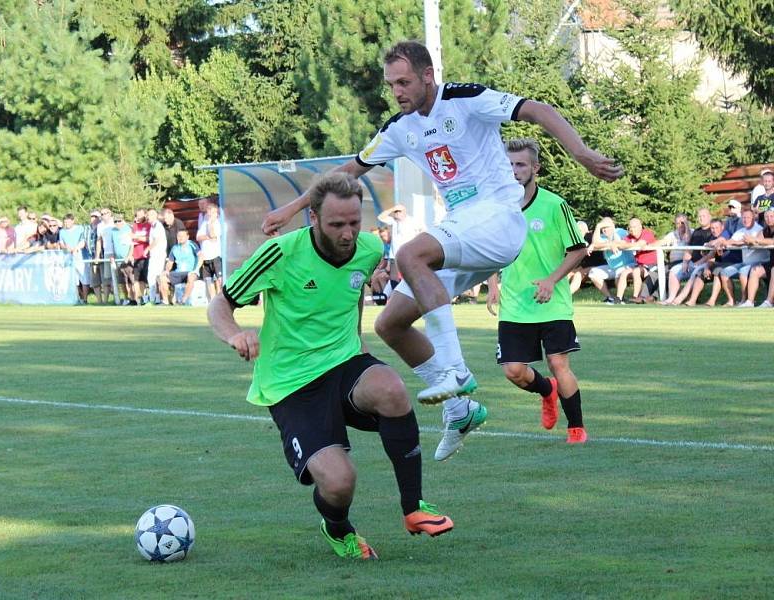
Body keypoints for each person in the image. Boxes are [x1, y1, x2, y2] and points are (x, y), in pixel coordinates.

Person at [262, 40, 621, 447]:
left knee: (409, 253)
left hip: (499, 219)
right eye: (391, 84)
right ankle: (460, 409)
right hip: (462, 229)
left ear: (428, 75)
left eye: (404, 82)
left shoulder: (466, 99)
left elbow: (537, 110)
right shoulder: (400, 129)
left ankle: (456, 371)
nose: (396, 92)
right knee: (390, 323)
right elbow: (349, 171)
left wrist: (583, 153)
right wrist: (289, 210)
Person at [208, 172, 452, 559]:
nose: (347, 234)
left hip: (343, 362)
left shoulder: (369, 248)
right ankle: (338, 529)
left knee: (391, 387)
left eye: (354, 223)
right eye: (337, 224)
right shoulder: (280, 254)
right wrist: (235, 335)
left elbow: (352, 293)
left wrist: (357, 340)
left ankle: (415, 507)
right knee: (339, 483)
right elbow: (220, 305)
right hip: (290, 384)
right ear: (314, 220)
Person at [484, 138, 588, 453]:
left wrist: (551, 280)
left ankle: (576, 428)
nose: (514, 171)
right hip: (515, 304)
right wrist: (491, 284)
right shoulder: (497, 208)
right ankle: (546, 391)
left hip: (552, 303)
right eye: (510, 165)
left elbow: (579, 250)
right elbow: (488, 249)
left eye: (521, 165)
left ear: (535, 168)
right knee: (512, 371)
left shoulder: (554, 205)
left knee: (559, 363)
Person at [712, 208, 765, 306]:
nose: (745, 220)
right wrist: (722, 243)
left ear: (753, 217)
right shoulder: (741, 231)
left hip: (758, 262)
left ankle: (745, 301)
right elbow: (730, 241)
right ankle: (731, 301)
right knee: (723, 272)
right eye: (744, 218)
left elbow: (753, 242)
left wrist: (738, 243)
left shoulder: (759, 229)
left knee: (742, 271)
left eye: (748, 217)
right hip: (742, 262)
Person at [587, 217, 637, 303]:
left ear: (613, 226)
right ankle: (610, 298)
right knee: (593, 273)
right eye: (603, 228)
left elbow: (621, 242)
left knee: (619, 272)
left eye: (607, 227)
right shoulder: (603, 237)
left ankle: (620, 299)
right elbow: (595, 243)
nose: (604, 230)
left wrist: (609, 244)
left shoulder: (619, 231)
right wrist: (598, 227)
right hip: (613, 267)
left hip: (628, 265)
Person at [377, 203, 424, 283]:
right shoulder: (393, 221)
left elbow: (423, 231)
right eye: (396, 212)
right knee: (394, 282)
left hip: (407, 256)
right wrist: (392, 209)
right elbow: (380, 217)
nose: (397, 213)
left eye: (400, 211)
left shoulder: (412, 221)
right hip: (394, 257)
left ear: (405, 212)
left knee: (407, 281)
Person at [158, 229, 202, 305]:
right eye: (179, 236)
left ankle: (183, 301)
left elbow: (201, 257)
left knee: (191, 277)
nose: (180, 238)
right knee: (162, 277)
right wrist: (167, 270)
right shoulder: (175, 248)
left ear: (187, 237)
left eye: (182, 236)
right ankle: (165, 301)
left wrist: (196, 270)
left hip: (191, 272)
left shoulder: (192, 244)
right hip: (178, 273)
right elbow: (170, 262)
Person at [745, 209, 774, 306]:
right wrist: (749, 240)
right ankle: (750, 302)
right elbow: (757, 240)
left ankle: (769, 302)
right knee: (755, 270)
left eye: (771, 216)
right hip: (771, 262)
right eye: (766, 217)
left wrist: (755, 240)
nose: (769, 219)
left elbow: (772, 241)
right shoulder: (765, 230)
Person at [58, 214, 89, 303]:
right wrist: (66, 247)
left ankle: (85, 299)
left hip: (80, 256)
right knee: (73, 279)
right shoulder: (62, 231)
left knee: (84, 278)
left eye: (68, 221)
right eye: (65, 222)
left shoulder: (80, 229)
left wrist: (76, 248)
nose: (66, 223)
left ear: (73, 221)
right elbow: (61, 243)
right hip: (69, 257)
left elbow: (83, 241)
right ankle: (77, 298)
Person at [196, 203, 223, 300]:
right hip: (206, 255)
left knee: (219, 279)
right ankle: (213, 299)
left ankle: (221, 298)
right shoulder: (204, 223)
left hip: (215, 255)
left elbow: (213, 235)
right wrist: (208, 237)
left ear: (216, 213)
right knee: (208, 279)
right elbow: (198, 237)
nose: (209, 215)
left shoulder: (218, 223)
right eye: (208, 212)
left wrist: (211, 224)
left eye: (212, 212)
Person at [568, 221, 602, 295]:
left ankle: (568, 295)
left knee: (578, 274)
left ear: (586, 230)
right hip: (583, 266)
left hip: (596, 265)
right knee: (567, 274)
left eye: (580, 230)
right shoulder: (575, 240)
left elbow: (595, 255)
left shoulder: (590, 237)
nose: (577, 232)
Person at [146, 208, 167, 304]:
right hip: (154, 255)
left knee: (156, 277)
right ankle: (154, 298)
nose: (147, 217)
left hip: (158, 255)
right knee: (151, 277)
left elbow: (157, 240)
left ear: (155, 215)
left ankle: (155, 299)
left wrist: (147, 249)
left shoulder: (158, 226)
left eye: (149, 215)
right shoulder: (152, 227)